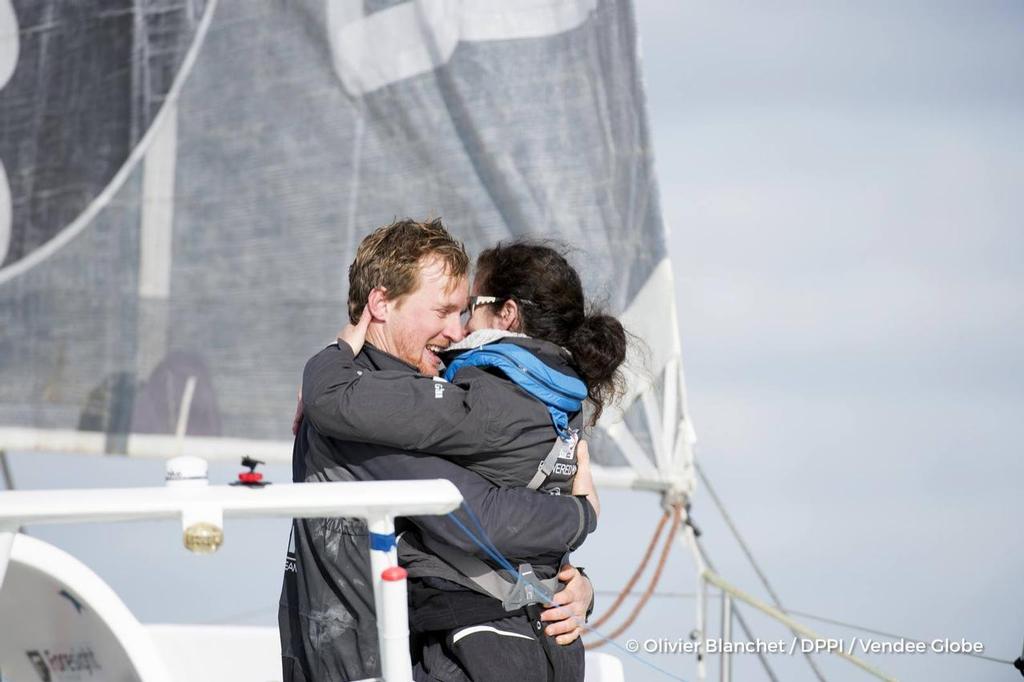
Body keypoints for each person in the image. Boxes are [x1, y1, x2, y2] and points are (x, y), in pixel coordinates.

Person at [279, 220, 598, 682]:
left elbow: (502, 504)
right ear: (381, 303)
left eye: (464, 311)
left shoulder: (421, 392)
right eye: (444, 312)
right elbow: (478, 517)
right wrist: (582, 513)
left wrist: (574, 583)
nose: (458, 331)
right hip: (367, 663)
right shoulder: (364, 408)